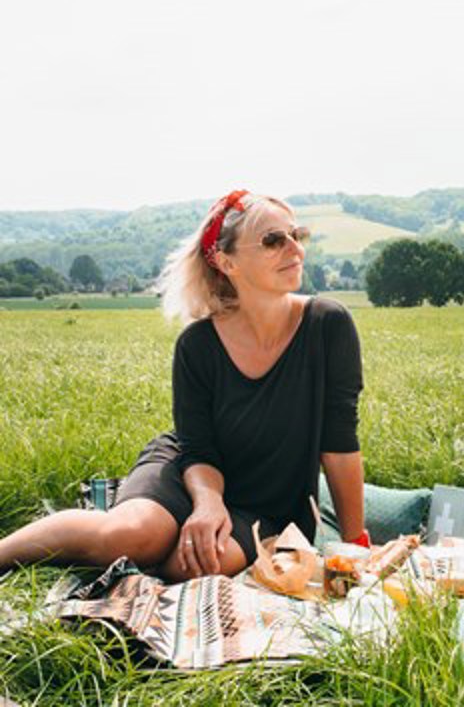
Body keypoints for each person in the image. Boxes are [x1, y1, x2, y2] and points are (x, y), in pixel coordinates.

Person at [0, 189, 367, 581]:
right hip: (191, 473)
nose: (294, 249)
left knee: (196, 565)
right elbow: (197, 445)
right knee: (126, 535)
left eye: (298, 234)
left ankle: (147, 555)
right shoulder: (198, 344)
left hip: (268, 506)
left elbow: (339, 443)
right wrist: (207, 504)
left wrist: (355, 545)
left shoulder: (328, 325)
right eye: (273, 240)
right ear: (227, 262)